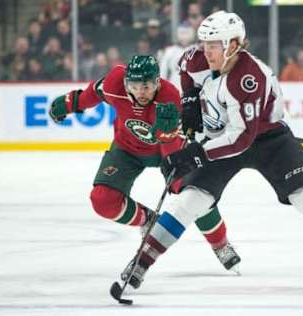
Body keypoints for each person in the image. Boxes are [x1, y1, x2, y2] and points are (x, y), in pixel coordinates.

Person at [127, 11, 303, 291]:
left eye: (213, 45)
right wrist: (190, 96)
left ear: (233, 45)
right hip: (221, 137)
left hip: (269, 141)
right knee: (189, 202)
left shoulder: (249, 78)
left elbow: (240, 139)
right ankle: (140, 264)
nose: (206, 50)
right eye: (204, 43)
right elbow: (185, 67)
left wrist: (193, 154)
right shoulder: (199, 57)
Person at [48, 55, 241, 288]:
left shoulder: (169, 98)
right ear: (126, 82)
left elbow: (169, 146)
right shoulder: (114, 82)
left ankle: (220, 243)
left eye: (147, 86)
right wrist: (68, 104)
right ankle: (148, 220)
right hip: (126, 149)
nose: (140, 92)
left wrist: (169, 143)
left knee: (191, 193)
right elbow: (91, 94)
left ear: (157, 83)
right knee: (102, 200)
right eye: (135, 86)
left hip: (164, 152)